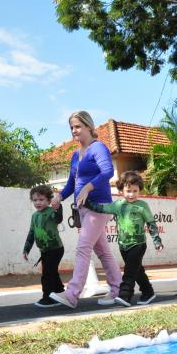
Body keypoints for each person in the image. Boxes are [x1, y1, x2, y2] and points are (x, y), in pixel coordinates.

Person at [49, 111, 122, 309]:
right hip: (83, 209)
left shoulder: (98, 148)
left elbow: (107, 171)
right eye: (72, 127)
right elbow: (71, 185)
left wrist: (89, 187)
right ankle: (118, 289)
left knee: (83, 247)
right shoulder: (75, 155)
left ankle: (72, 293)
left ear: (89, 127)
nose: (74, 130)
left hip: (98, 205)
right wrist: (59, 197)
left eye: (78, 126)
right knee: (103, 252)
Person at [86, 171, 163, 307]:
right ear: (121, 190)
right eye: (128, 191)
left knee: (129, 272)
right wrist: (86, 203)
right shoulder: (118, 205)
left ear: (139, 190)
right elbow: (101, 208)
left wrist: (157, 241)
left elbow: (151, 224)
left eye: (135, 191)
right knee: (137, 271)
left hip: (138, 244)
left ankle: (125, 296)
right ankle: (148, 292)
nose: (132, 194)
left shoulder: (142, 206)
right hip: (123, 246)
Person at [23, 185, 64, 308]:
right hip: (45, 250)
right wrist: (26, 249)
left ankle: (48, 297)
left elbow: (58, 219)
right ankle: (60, 293)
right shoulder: (34, 216)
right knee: (52, 272)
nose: (38, 202)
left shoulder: (51, 212)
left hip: (55, 249)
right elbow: (31, 233)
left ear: (48, 200)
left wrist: (58, 208)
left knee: (47, 274)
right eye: (35, 200)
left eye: (41, 200)